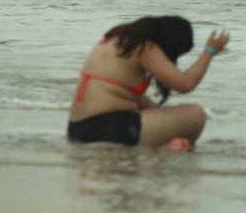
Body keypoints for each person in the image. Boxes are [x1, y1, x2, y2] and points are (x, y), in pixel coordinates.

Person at [67, 16, 229, 151]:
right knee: (196, 114)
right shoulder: (144, 46)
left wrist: (168, 123)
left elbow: (137, 99)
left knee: (175, 120)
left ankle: (163, 148)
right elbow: (185, 84)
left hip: (79, 130)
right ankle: (165, 150)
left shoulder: (117, 39)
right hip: (108, 130)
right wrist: (210, 51)